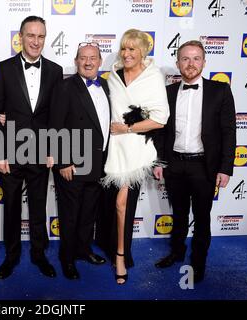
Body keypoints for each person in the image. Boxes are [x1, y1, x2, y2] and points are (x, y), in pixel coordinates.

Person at [153, 40, 236, 283]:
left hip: (204, 166)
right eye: (185, 59)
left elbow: (229, 132)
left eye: (196, 58)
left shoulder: (220, 91)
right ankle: (177, 253)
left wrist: (225, 168)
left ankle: (198, 263)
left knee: (202, 217)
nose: (190, 64)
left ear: (204, 62)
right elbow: (160, 132)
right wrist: (159, 162)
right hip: (175, 164)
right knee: (178, 214)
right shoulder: (167, 93)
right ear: (178, 63)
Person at [0, 16, 63, 279]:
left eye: (41, 36)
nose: (36, 41)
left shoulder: (55, 70)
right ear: (20, 37)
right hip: (10, 153)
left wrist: (54, 149)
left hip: (41, 153)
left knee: (38, 206)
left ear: (45, 38)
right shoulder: (3, 68)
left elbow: (56, 114)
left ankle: (39, 254)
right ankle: (11, 257)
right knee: (10, 208)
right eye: (31, 35)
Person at [98, 29, 169, 284]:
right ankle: (112, 248)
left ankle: (120, 256)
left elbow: (160, 119)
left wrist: (126, 128)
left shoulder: (153, 77)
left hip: (137, 150)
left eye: (132, 50)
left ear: (143, 53)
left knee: (121, 204)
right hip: (112, 149)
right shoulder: (113, 76)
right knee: (109, 205)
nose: (127, 54)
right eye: (124, 49)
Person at [48, 42, 110, 280]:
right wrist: (63, 161)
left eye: (92, 58)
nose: (88, 62)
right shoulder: (65, 87)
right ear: (76, 61)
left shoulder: (104, 85)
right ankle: (67, 258)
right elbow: (55, 126)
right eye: (83, 58)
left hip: (98, 162)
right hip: (72, 163)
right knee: (70, 214)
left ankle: (84, 250)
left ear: (100, 61)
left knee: (88, 213)